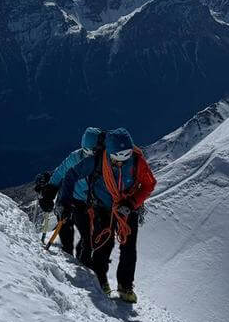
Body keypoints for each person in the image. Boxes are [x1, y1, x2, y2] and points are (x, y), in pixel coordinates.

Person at [58, 127, 156, 301]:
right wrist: (64, 201)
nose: (120, 163)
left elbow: (149, 184)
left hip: (127, 208)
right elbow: (71, 174)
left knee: (128, 247)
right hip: (102, 207)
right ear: (108, 153)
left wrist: (131, 202)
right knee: (103, 244)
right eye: (116, 159)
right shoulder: (97, 160)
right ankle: (100, 279)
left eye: (125, 158)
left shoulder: (136, 161)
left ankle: (125, 286)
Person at [37, 127, 102, 258]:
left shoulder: (102, 162)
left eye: (94, 150)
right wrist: (49, 193)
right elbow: (59, 173)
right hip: (69, 198)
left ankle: (83, 261)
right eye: (88, 150)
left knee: (87, 235)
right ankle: (67, 255)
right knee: (65, 227)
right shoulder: (75, 157)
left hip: (86, 203)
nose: (90, 154)